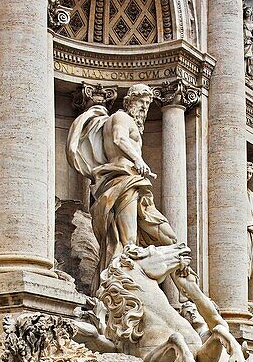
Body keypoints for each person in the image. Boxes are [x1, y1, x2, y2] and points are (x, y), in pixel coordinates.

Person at [66, 84, 179, 287]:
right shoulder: (121, 118)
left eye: (147, 104)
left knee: (169, 238)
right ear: (129, 101)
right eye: (141, 103)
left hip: (133, 182)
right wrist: (138, 160)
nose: (144, 108)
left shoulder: (130, 122)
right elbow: (119, 138)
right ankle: (123, 289)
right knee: (128, 242)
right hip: (122, 179)